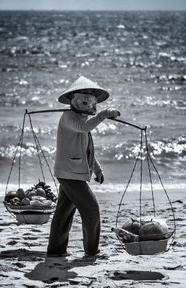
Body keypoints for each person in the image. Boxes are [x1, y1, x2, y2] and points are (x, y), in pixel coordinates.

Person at [47, 76, 120, 257]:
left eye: (90, 97)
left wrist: (97, 169)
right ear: (73, 99)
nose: (88, 101)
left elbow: (86, 149)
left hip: (73, 172)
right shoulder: (69, 117)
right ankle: (92, 251)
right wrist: (104, 114)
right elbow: (85, 128)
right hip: (69, 172)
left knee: (64, 212)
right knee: (91, 209)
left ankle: (56, 251)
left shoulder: (82, 118)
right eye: (84, 97)